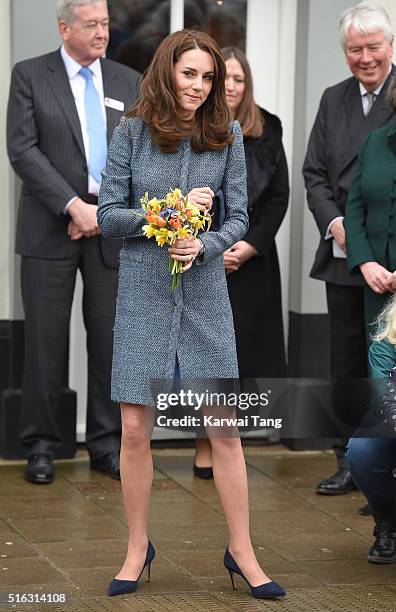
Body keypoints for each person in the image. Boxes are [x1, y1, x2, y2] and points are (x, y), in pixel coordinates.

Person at [97, 29, 286, 600]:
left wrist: (204, 244)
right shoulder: (131, 130)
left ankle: (243, 552)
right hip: (142, 291)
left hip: (204, 291)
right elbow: (108, 214)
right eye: (190, 75)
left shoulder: (225, 133)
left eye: (208, 78)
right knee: (134, 428)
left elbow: (237, 221)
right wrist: (168, 213)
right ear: (166, 72)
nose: (201, 88)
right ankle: (136, 549)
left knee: (223, 427)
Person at [6, 0, 140, 484]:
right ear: (65, 29)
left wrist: (105, 212)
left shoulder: (128, 80)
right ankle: (42, 444)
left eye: (106, 23)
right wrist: (72, 205)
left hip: (110, 228)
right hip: (50, 226)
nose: (102, 32)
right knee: (45, 340)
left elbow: (140, 151)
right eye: (91, 25)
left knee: (108, 341)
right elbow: (22, 149)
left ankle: (106, 443)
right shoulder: (30, 75)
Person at [303, 2, 395, 497]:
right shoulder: (332, 99)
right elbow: (314, 171)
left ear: (390, 46)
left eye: (373, 47)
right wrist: (335, 222)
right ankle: (349, 458)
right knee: (346, 363)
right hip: (343, 258)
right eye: (355, 49)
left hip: (390, 258)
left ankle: (386, 462)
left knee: (387, 360)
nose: (365, 57)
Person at [194, 46, 289, 479]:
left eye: (238, 80)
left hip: (250, 262)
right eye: (223, 78)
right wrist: (209, 246)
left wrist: (249, 245)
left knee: (243, 353)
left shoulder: (268, 128)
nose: (230, 87)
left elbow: (277, 198)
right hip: (199, 258)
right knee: (202, 354)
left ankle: (229, 442)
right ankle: (201, 441)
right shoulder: (193, 126)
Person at [345, 76, 396, 329]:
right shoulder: (374, 141)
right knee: (379, 364)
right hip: (377, 283)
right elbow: (354, 210)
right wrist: (366, 262)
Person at [347, 298, 396, 563]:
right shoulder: (386, 341)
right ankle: (388, 521)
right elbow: (384, 399)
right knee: (361, 451)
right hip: (391, 419)